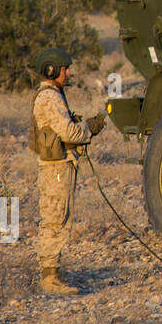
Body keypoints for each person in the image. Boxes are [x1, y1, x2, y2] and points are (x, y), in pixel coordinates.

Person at [28, 48, 106, 296]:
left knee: (58, 217)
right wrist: (89, 128)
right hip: (56, 168)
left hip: (60, 165)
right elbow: (68, 133)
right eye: (65, 68)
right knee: (55, 218)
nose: (68, 72)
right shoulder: (50, 97)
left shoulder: (53, 94)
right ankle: (49, 278)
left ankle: (52, 273)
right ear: (52, 69)